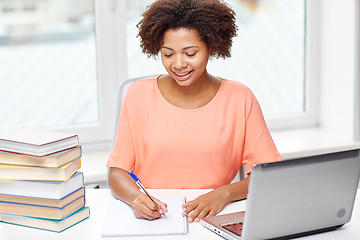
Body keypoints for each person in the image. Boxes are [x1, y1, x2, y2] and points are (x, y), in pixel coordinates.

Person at [107, 0, 282, 223]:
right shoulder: (137, 95)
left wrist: (224, 193)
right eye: (168, 54)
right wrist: (136, 199)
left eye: (190, 53)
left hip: (214, 217)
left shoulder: (240, 98)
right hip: (157, 220)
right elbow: (116, 174)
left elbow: (268, 174)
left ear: (211, 46)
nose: (178, 64)